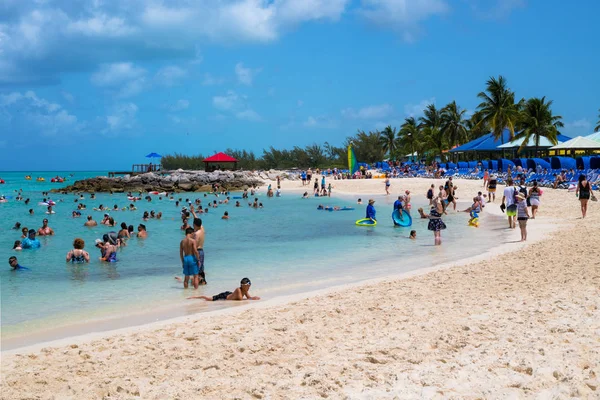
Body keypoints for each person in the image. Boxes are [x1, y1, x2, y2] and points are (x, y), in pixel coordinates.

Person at [187, 277, 260, 301]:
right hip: (224, 296)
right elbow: (241, 299)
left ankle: (196, 297)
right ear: (243, 285)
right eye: (248, 285)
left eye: (250, 284)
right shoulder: (238, 290)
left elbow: (249, 298)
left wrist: (253, 298)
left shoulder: (245, 290)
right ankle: (196, 297)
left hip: (229, 294)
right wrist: (252, 298)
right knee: (209, 299)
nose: (249, 286)